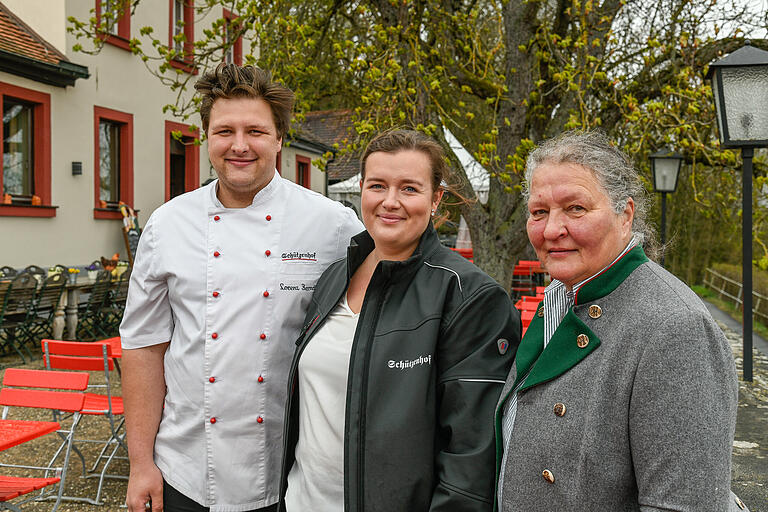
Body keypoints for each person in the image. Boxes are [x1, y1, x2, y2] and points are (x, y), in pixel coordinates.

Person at [120, 63, 363, 512]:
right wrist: (140, 463)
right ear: (206, 138)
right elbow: (142, 348)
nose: (239, 145)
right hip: (183, 467)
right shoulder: (167, 225)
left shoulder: (333, 225)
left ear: (279, 139)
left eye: (255, 131)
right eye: (224, 131)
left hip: (291, 470)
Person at [494, 131, 746, 511]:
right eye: (539, 212)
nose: (550, 230)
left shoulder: (676, 327)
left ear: (625, 215)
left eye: (575, 208)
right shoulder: (563, 297)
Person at [278, 129, 521, 511]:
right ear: (362, 189)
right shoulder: (333, 278)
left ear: (436, 198)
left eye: (409, 188)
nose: (390, 202)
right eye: (378, 186)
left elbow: (472, 457)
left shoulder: (469, 297)